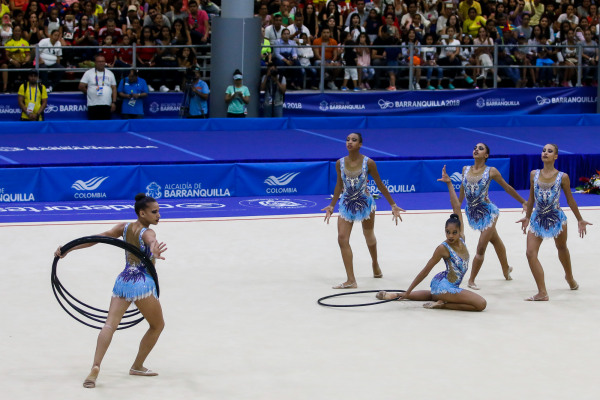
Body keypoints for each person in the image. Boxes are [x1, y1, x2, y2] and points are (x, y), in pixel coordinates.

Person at [54, 193, 167, 388]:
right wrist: (153, 249)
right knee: (157, 326)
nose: (159, 215)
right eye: (154, 212)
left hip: (123, 281)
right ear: (142, 213)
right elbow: (150, 240)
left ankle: (96, 366)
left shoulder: (124, 227)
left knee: (109, 325)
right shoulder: (149, 232)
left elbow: (98, 238)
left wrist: (68, 249)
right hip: (141, 283)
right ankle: (137, 366)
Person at [376, 166, 487, 312]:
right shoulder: (443, 248)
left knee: (432, 295)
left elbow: (456, 206)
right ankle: (441, 303)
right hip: (444, 286)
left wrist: (449, 184)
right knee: (481, 304)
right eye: (447, 232)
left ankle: (396, 295)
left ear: (460, 231)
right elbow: (425, 271)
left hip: (449, 285)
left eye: (454, 233)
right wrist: (409, 290)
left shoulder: (462, 239)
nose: (450, 236)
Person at [322, 132, 405, 289]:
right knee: (342, 238)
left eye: (354, 140)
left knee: (368, 235)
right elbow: (339, 185)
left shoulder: (369, 163)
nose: (349, 142)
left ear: (360, 144)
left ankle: (375, 263)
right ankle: (351, 280)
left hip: (365, 204)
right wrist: (332, 206)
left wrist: (393, 204)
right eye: (347, 140)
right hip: (346, 203)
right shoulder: (339, 163)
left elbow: (380, 184)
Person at [517, 144, 592, 301]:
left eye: (549, 151)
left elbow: (570, 200)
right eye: (544, 150)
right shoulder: (533, 174)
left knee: (562, 248)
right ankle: (542, 292)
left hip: (556, 218)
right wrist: (528, 217)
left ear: (556, 156)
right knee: (530, 253)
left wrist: (579, 219)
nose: (545, 153)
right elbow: (531, 198)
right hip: (538, 218)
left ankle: (569, 277)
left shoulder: (562, 177)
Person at [458, 143, 527, 289]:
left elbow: (507, 188)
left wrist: (523, 202)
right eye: (475, 147)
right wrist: (458, 204)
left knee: (481, 247)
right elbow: (462, 189)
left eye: (480, 148)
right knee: (495, 240)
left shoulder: (491, 171)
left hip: (488, 213)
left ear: (486, 155)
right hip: (473, 213)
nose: (476, 150)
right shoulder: (465, 169)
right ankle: (506, 268)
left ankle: (471, 280)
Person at [79, 54, 118, 120]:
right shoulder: (88, 73)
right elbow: (81, 86)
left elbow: (114, 88)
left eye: (102, 61)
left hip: (106, 104)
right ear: (95, 63)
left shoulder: (110, 73)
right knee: (94, 124)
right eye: (99, 61)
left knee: (106, 124)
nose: (101, 63)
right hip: (93, 104)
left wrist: (114, 102)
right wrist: (89, 92)